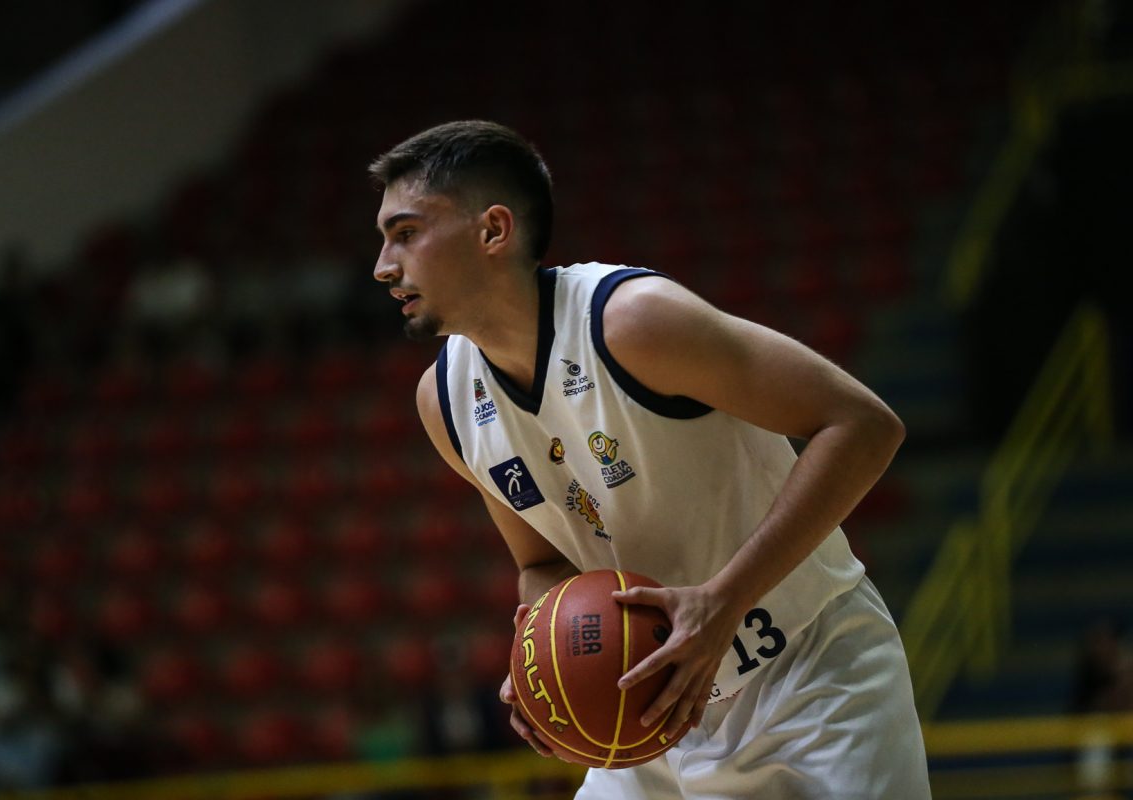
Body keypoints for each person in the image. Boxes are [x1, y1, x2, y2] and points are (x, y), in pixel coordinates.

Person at [369, 120, 930, 799]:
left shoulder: (632, 321)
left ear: (493, 230)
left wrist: (725, 601)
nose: (383, 266)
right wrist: (543, 660)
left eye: (406, 233)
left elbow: (863, 425)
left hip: (808, 675)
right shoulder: (446, 401)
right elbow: (542, 564)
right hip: (650, 713)